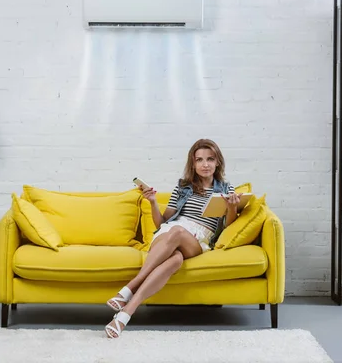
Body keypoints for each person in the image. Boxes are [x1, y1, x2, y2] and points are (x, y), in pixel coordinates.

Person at [104, 138, 242, 338]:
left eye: (210, 159)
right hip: (171, 231)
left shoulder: (226, 190)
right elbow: (162, 224)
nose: (205, 164)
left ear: (218, 162)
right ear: (192, 164)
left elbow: (229, 226)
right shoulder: (183, 187)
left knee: (176, 233)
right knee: (175, 258)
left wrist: (232, 207)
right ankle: (125, 314)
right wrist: (152, 202)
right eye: (200, 160)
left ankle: (129, 287)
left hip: (198, 238)